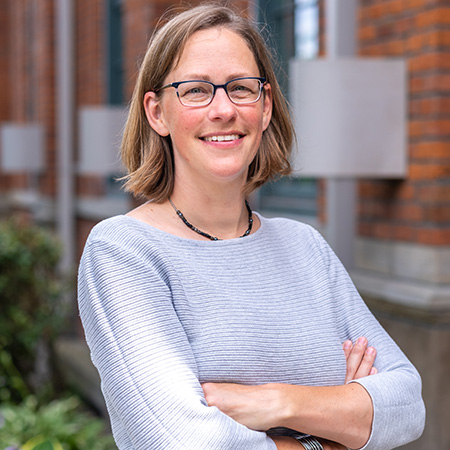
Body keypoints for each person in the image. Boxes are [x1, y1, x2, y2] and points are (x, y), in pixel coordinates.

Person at [77, 4, 425, 449]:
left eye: (241, 88)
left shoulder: (304, 246)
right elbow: (181, 443)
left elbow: (408, 404)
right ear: (156, 112)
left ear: (264, 108)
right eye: (197, 90)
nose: (223, 109)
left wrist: (278, 403)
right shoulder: (124, 252)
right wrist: (338, 424)